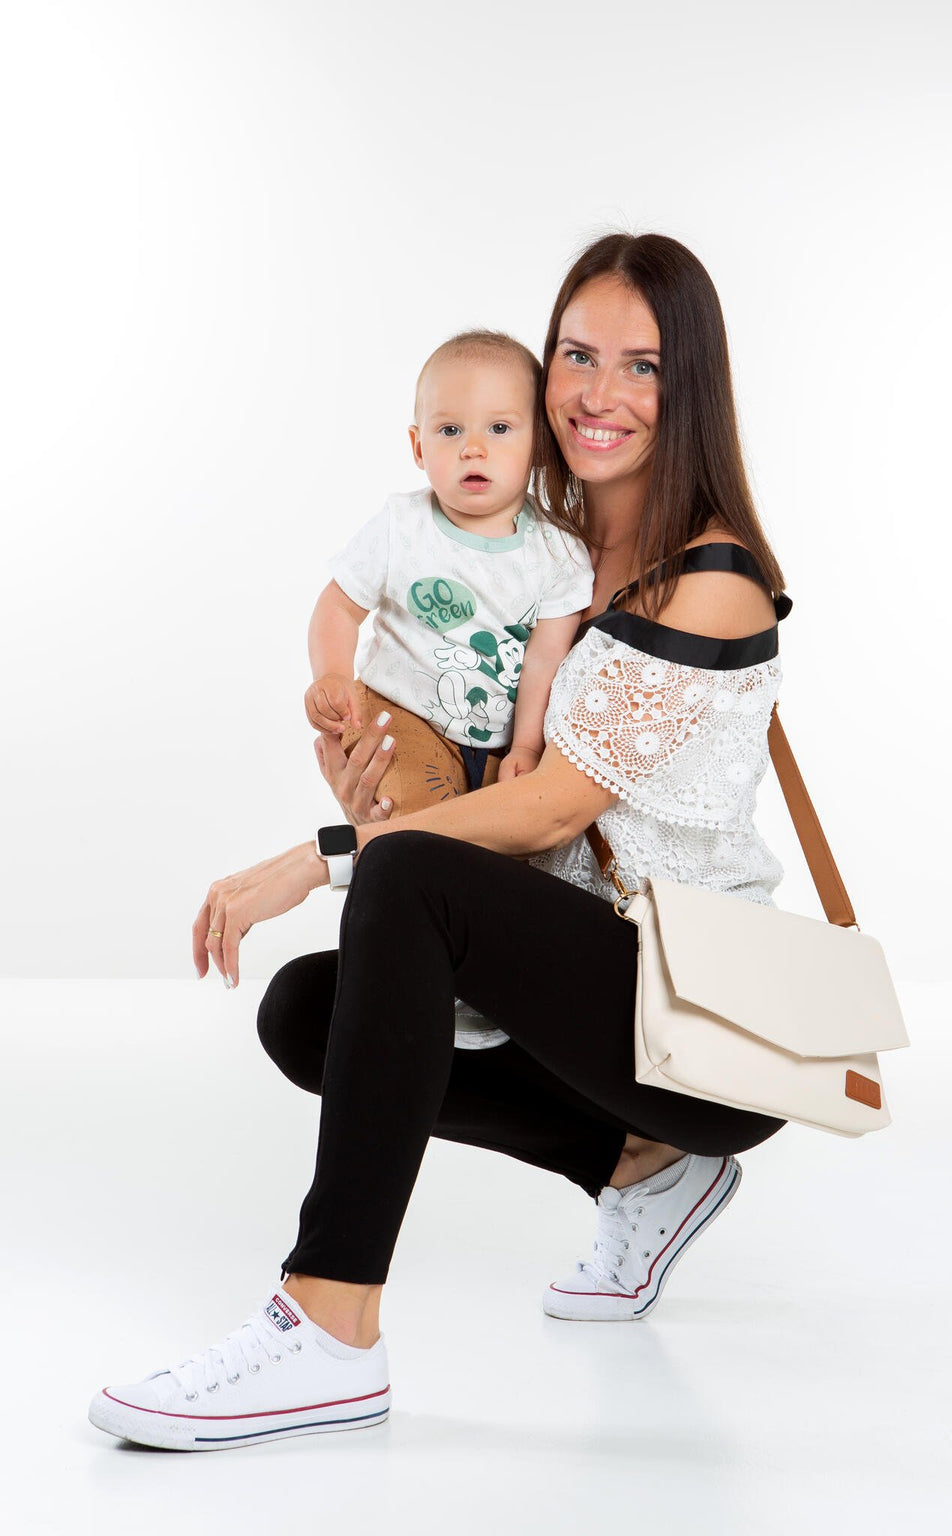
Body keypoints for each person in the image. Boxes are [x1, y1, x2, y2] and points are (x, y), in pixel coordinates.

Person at [88, 232, 792, 1452]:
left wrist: (319, 860)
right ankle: (640, 1173)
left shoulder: (710, 578)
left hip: (708, 1027)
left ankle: (327, 1328)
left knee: (399, 883)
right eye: (576, 355)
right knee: (309, 1011)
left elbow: (552, 807)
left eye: (641, 364)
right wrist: (373, 795)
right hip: (589, 990)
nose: (595, 393)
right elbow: (471, 795)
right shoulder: (545, 543)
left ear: (692, 389)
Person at [305, 330, 593, 814]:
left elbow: (546, 659)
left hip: (495, 742)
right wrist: (331, 675)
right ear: (418, 447)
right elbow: (337, 605)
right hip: (396, 714)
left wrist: (524, 746)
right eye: (450, 430)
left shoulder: (558, 554)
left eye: (499, 429)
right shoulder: (402, 527)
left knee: (505, 836)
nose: (473, 449)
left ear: (539, 445)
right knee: (422, 814)